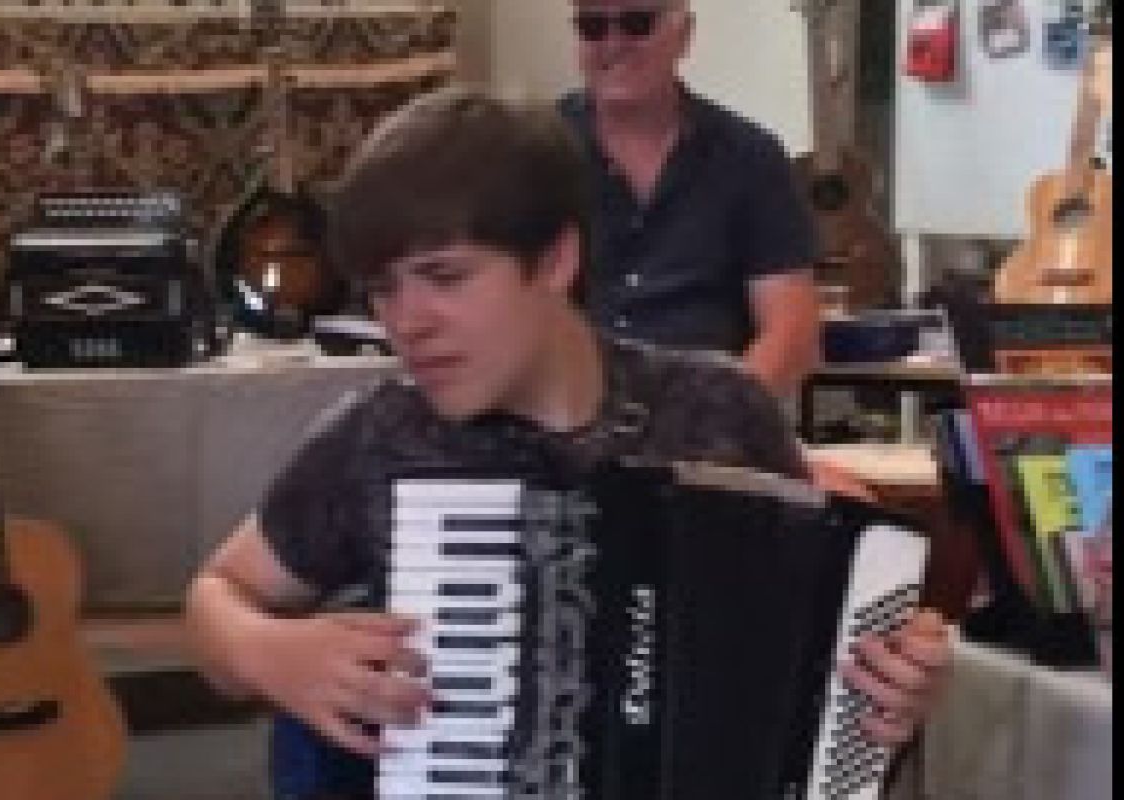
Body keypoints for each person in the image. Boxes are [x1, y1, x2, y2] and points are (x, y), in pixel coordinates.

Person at [183, 87, 949, 779]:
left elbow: (817, 677)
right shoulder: (380, 438)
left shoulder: (719, 411)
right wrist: (271, 653)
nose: (407, 323)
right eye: (384, 289)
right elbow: (218, 595)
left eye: (445, 278)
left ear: (555, 259)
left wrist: (893, 687)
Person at [559, 0, 824, 399]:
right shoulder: (533, 156)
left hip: (716, 432)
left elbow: (791, 334)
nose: (613, 43)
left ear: (684, 35)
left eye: (637, 23)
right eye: (593, 26)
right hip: (564, 434)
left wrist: (714, 417)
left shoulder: (752, 159)